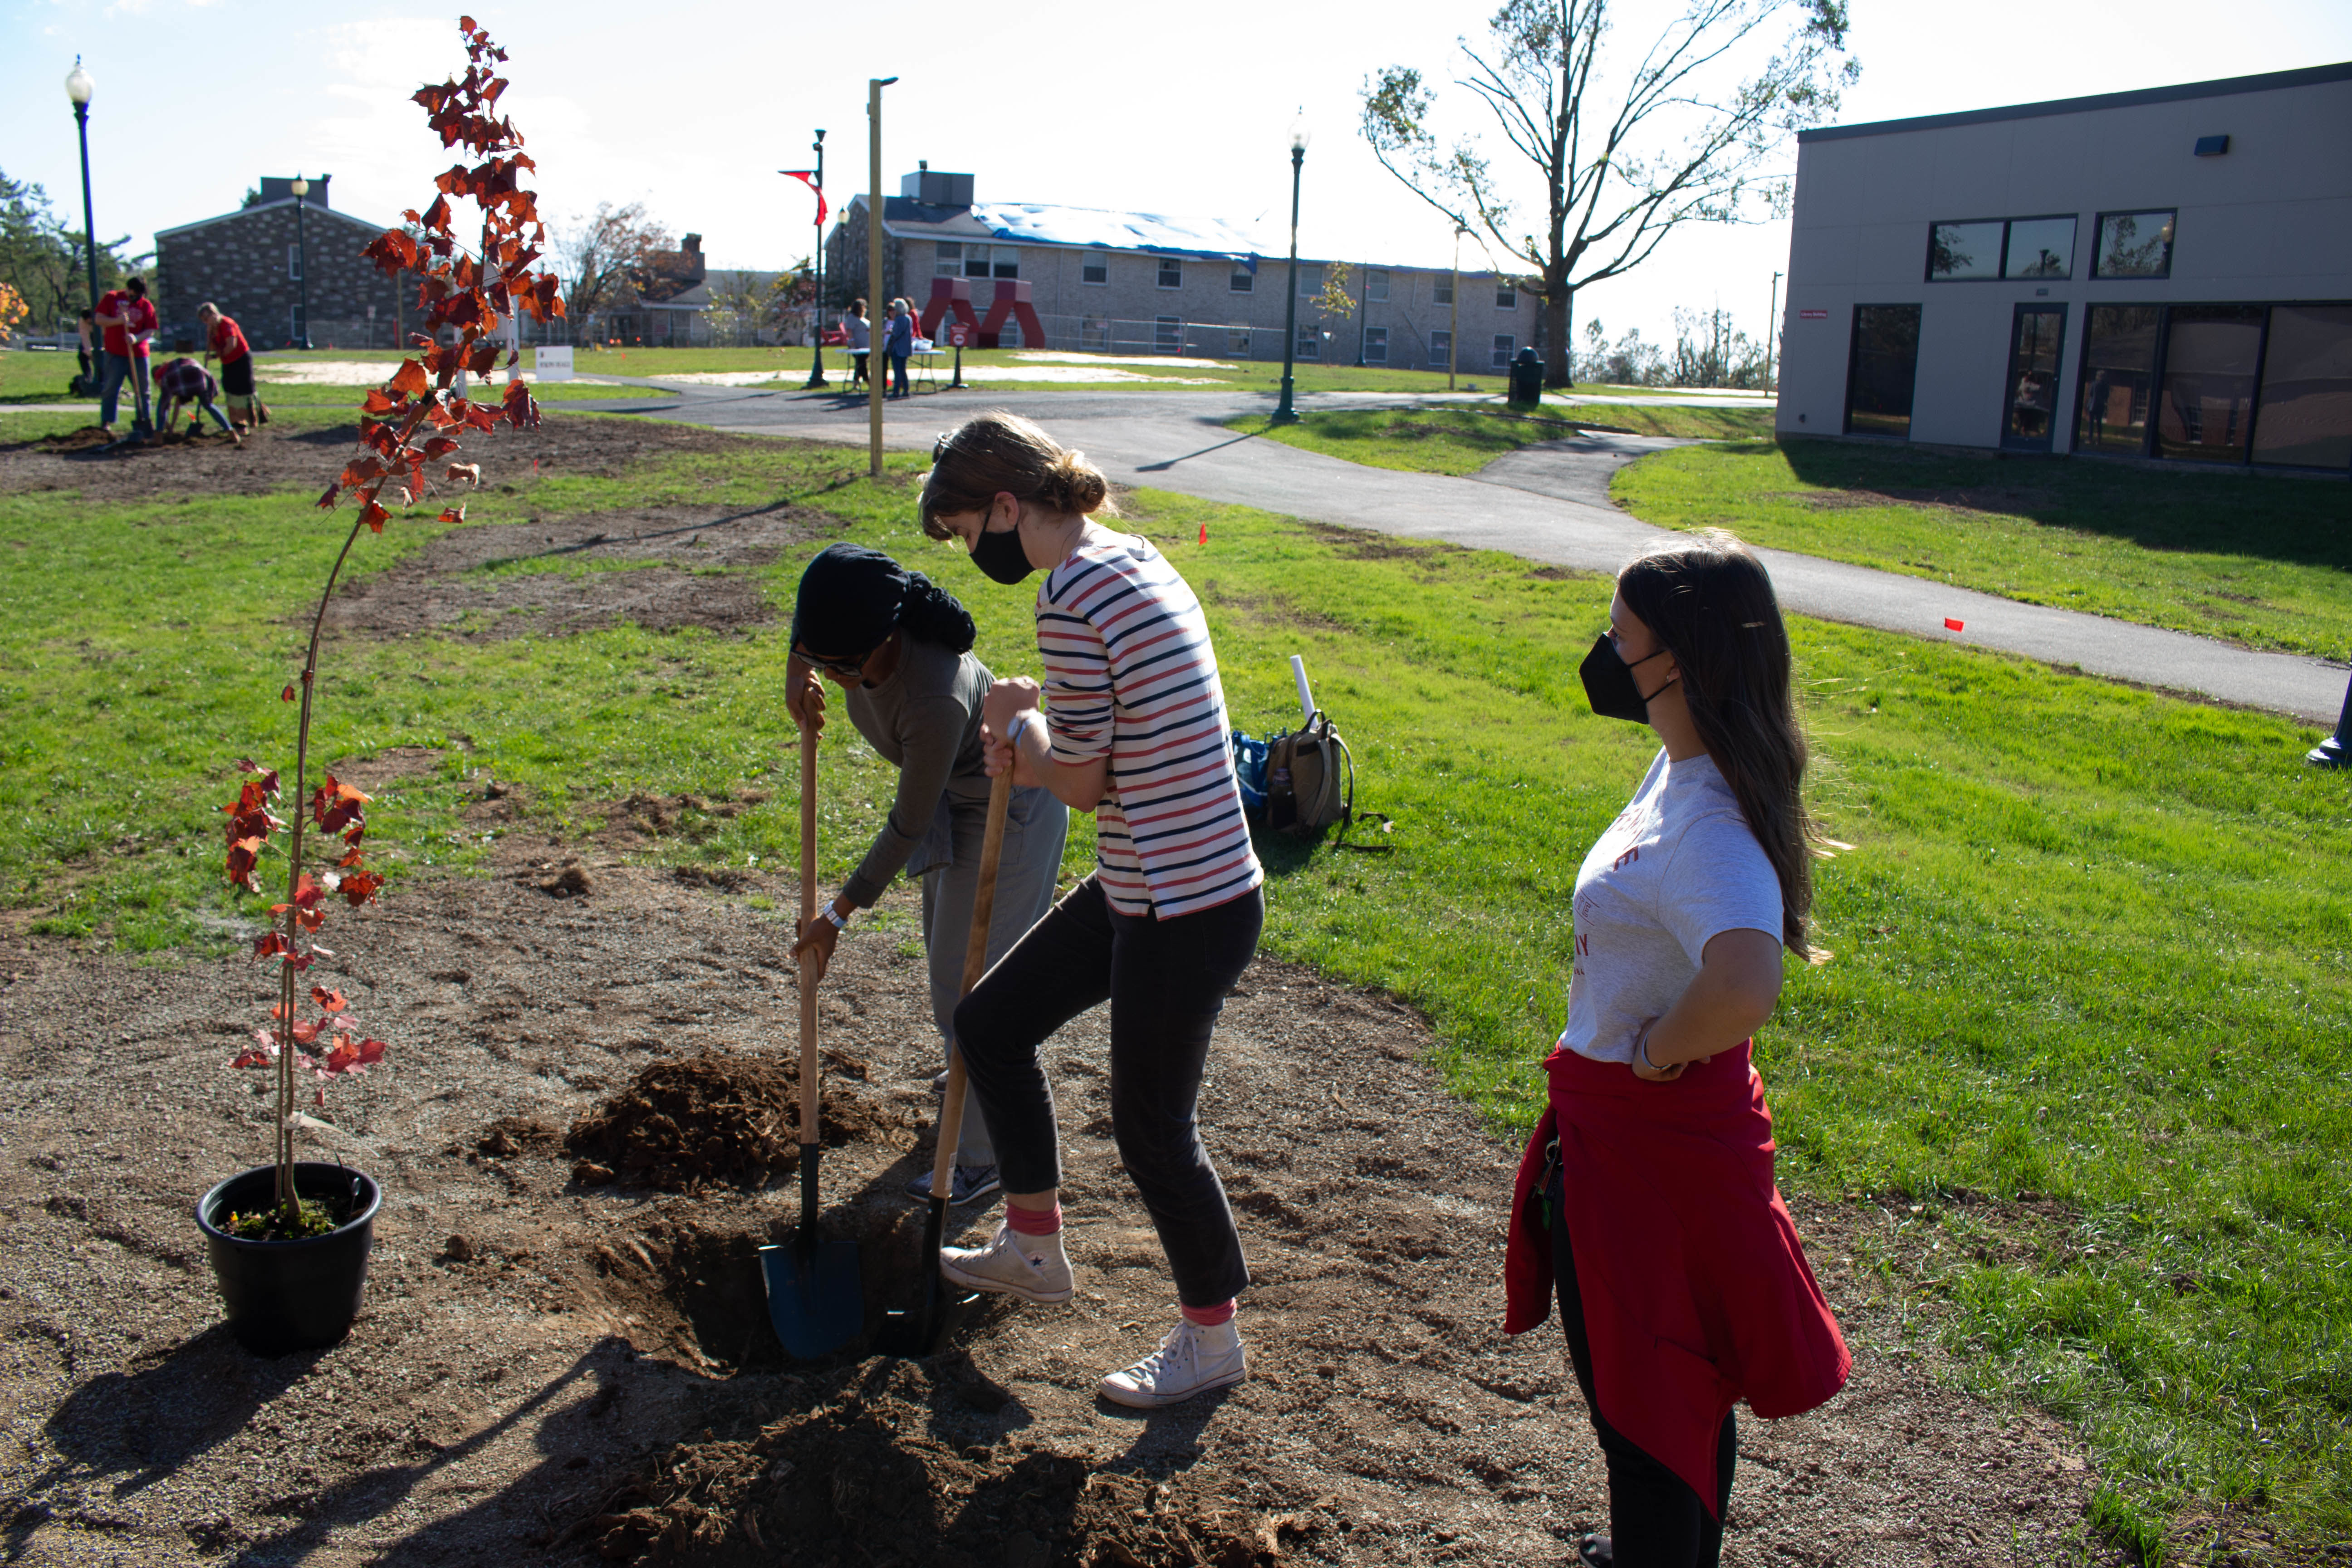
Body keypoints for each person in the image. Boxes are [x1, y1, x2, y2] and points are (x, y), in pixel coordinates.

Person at [1502, 531, 1850, 1568]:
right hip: (1625, 1145)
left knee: (1645, 1417)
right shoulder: (1681, 766)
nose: (1602, 655)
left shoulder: (1705, 824)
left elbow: (1745, 978)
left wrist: (1657, 1047)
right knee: (1670, 1397)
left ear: (1680, 661)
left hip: (1648, 1162)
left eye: (1620, 638)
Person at [919, 411, 1266, 1409]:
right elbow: (1105, 763)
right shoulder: (1133, 554)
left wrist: (1014, 729)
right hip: (1152, 882)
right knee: (992, 1023)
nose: (972, 554)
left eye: (965, 533)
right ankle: (1033, 1241)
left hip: (1180, 903)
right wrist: (1032, 732)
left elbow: (1077, 782)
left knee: (1153, 1129)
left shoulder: (1072, 595)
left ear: (1004, 504)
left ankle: (1211, 1340)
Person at [784, 543, 1069, 1205]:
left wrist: (835, 918)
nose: (834, 672)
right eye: (821, 656)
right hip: (954, 803)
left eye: (842, 665)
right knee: (947, 974)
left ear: (886, 637)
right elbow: (811, 635)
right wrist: (796, 673)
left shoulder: (933, 695)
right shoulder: (847, 625)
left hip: (1008, 811)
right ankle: (969, 1082)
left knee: (971, 993)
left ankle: (981, 1157)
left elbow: (906, 826)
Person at [93, 275, 157, 436]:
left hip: (139, 354)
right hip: (115, 353)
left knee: (143, 390)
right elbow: (99, 319)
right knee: (111, 387)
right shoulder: (112, 298)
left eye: (139, 295)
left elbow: (150, 329)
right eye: (133, 294)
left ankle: (144, 420)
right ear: (127, 290)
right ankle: (106, 422)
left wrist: (137, 338)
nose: (136, 298)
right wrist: (118, 321)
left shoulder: (146, 305)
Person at [198, 302, 265, 433]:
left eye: (207, 319)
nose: (206, 322)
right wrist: (210, 335)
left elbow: (231, 346)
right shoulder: (212, 329)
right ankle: (237, 422)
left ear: (214, 314)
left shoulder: (227, 324)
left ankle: (247, 421)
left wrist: (214, 357)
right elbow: (212, 347)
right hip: (227, 361)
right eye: (204, 321)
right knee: (229, 388)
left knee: (244, 390)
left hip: (241, 359)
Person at [151, 355, 241, 444]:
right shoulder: (174, 366)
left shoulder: (162, 376)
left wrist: (167, 427)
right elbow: (177, 405)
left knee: (162, 406)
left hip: (191, 375)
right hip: (200, 375)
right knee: (208, 405)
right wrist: (171, 428)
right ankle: (232, 433)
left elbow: (166, 406)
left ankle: (158, 438)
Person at [884, 299, 914, 399]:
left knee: (897, 371)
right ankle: (906, 390)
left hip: (898, 348)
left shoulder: (899, 319)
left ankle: (896, 391)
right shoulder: (908, 318)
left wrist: (891, 334)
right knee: (903, 370)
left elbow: (896, 333)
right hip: (905, 347)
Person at [843, 299, 871, 390]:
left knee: (860, 364)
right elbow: (849, 331)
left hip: (866, 346)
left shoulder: (862, 318)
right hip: (858, 346)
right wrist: (853, 343)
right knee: (862, 364)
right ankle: (869, 382)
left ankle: (856, 382)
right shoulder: (852, 318)